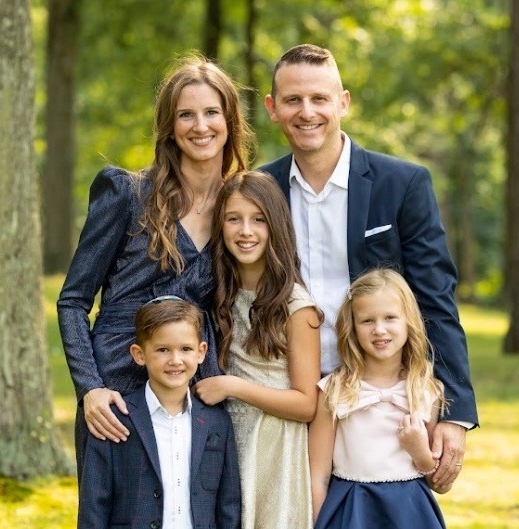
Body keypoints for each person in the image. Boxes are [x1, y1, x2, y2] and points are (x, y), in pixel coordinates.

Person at [260, 43, 478, 489]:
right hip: (286, 391)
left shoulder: (403, 184)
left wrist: (455, 412)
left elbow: (435, 298)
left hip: (378, 396)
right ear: (272, 108)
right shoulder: (260, 189)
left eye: (320, 98)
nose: (307, 112)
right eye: (293, 100)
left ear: (343, 102)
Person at [57, 55, 254, 480]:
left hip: (197, 380)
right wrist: (90, 388)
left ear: (230, 121)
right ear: (170, 124)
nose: (200, 126)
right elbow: (72, 300)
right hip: (117, 385)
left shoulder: (240, 209)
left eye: (211, 112)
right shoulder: (128, 194)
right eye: (186, 114)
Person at [193, 170, 321, 529]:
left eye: (258, 220)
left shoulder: (297, 307)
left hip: (274, 446)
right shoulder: (220, 294)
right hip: (227, 440)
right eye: (234, 219)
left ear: (275, 227)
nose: (245, 231)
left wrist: (232, 387)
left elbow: (307, 403)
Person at [78, 296, 241, 529]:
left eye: (185, 349)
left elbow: (229, 506)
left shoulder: (217, 421)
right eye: (163, 350)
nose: (175, 360)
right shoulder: (113, 419)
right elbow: (94, 507)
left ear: (201, 351)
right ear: (139, 354)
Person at [309, 269, 450, 528]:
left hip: (410, 512)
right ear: (352, 326)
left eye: (390, 318)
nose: (379, 329)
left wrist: (420, 453)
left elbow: (439, 485)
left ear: (408, 321)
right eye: (367, 321)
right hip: (352, 510)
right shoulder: (334, 390)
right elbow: (317, 476)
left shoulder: (426, 391)